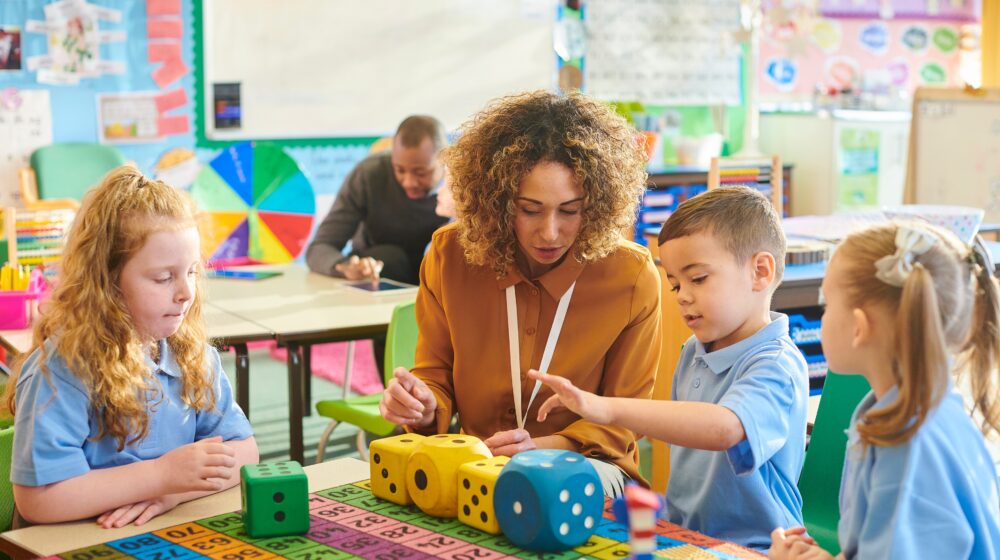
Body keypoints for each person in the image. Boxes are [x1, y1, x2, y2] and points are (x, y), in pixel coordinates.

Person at [378, 90, 662, 497]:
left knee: (537, 494)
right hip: (478, 465)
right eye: (529, 209)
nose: (549, 232)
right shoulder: (450, 255)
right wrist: (423, 405)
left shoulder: (630, 276)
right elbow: (435, 375)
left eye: (570, 210)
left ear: (598, 204)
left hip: (588, 466)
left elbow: (624, 417)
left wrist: (540, 449)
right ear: (495, 201)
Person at [530, 186, 808, 550]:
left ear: (760, 272)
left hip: (757, 546)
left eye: (698, 279)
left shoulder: (775, 363)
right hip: (686, 538)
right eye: (675, 283)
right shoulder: (693, 350)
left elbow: (725, 428)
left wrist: (607, 407)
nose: (682, 296)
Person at [4, 166, 258, 527]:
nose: (186, 292)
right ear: (107, 282)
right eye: (163, 277)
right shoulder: (63, 368)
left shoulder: (192, 356)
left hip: (159, 533)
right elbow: (39, 500)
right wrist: (160, 475)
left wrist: (172, 492)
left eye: (191, 272)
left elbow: (246, 452)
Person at [769, 223, 1000, 560]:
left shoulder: (905, 447)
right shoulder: (926, 414)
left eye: (826, 306)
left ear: (860, 327)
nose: (823, 318)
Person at [306, 115, 451, 286]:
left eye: (420, 173)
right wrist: (347, 267)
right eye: (399, 170)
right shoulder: (369, 175)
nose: (409, 182)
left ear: (445, 160)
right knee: (392, 258)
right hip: (378, 275)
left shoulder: (462, 185)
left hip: (437, 284)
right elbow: (319, 247)